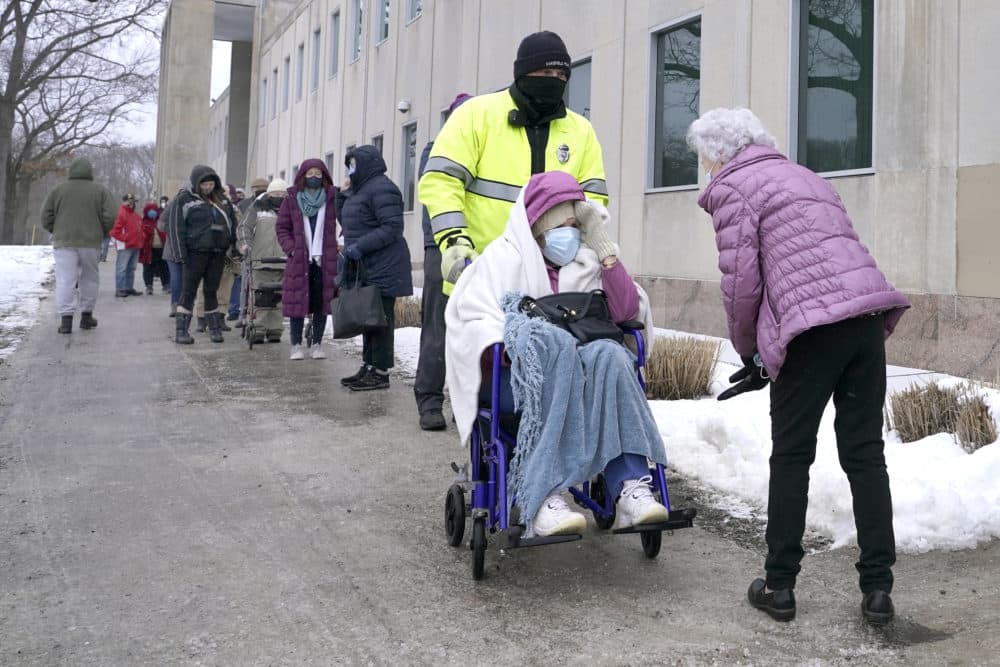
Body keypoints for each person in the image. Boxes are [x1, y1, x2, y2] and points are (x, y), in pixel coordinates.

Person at [686, 107, 911, 625]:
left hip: (812, 333)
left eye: (703, 158)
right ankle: (878, 590)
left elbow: (741, 283)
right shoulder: (806, 176)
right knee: (865, 456)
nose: (704, 169)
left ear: (719, 153)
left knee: (791, 457)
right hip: (864, 320)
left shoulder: (735, 187)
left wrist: (749, 352)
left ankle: (779, 586)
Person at [446, 171, 666, 538]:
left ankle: (631, 489)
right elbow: (472, 320)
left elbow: (628, 313)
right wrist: (520, 345)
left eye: (576, 226)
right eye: (564, 225)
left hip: (584, 378)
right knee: (557, 353)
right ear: (540, 226)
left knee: (612, 357)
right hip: (517, 383)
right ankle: (543, 496)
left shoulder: (587, 260)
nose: (572, 234)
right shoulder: (502, 260)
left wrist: (605, 251)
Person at [418, 30, 608, 298]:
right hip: (480, 275)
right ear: (524, 73)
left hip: (552, 283)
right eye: (546, 74)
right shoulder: (476, 115)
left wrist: (586, 250)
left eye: (562, 76)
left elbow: (593, 198)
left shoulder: (581, 131)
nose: (555, 82)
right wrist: (454, 241)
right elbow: (441, 181)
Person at [413, 92, 471, 431]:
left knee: (475, 328)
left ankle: (469, 403)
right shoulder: (436, 149)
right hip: (440, 246)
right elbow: (435, 196)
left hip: (481, 248)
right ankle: (430, 400)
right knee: (438, 324)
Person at [336, 146, 413, 390]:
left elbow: (392, 227)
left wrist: (360, 246)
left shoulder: (382, 188)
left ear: (366, 164)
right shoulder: (360, 190)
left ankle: (380, 373)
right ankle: (368, 365)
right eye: (349, 165)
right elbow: (347, 221)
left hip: (384, 265)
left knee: (381, 321)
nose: (350, 169)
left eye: (354, 164)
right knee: (367, 318)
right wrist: (341, 195)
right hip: (366, 265)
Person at [40, 157, 116, 333]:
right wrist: (101, 232)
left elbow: (46, 216)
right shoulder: (100, 191)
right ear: (90, 171)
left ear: (71, 171)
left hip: (64, 241)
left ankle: (66, 321)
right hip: (91, 242)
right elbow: (110, 216)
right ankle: (86, 317)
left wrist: (57, 229)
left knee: (66, 279)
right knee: (89, 278)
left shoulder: (58, 190)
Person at [166, 165, 238, 344]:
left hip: (218, 253)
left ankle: (214, 329)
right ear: (196, 183)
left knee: (211, 290)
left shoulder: (223, 200)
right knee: (189, 291)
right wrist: (179, 254)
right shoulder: (183, 200)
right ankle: (181, 331)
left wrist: (235, 247)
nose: (207, 188)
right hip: (194, 253)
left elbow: (232, 224)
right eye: (204, 184)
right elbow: (175, 228)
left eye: (211, 184)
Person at [275, 160, 340, 360]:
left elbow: (348, 219)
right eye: (310, 173)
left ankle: (317, 344)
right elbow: (282, 227)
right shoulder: (292, 199)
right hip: (299, 259)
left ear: (324, 176)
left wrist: (341, 242)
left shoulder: (332, 198)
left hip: (324, 259)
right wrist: (291, 249)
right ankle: (295, 345)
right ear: (303, 175)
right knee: (297, 303)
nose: (314, 177)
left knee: (321, 303)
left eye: (318, 174)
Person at [237, 178, 289, 343]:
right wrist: (245, 244)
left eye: (282, 194)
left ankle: (275, 328)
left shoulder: (291, 211)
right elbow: (244, 227)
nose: (278, 196)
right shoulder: (257, 208)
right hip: (260, 260)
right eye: (275, 193)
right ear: (268, 193)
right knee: (260, 295)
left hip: (284, 260)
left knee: (279, 296)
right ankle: (258, 326)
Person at [230, 178, 269, 323]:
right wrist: (241, 246)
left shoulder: (248, 204)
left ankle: (247, 312)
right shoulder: (246, 205)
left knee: (248, 283)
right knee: (244, 283)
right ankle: (241, 312)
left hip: (259, 248)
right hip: (246, 248)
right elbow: (241, 226)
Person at [110, 193, 144, 298]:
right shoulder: (122, 213)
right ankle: (119, 289)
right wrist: (126, 238)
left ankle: (128, 288)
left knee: (131, 268)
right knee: (122, 268)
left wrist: (141, 237)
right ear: (126, 201)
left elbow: (140, 228)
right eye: (131, 201)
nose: (133, 204)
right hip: (125, 246)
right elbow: (115, 232)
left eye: (134, 202)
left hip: (135, 245)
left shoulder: (135, 215)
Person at [158, 195, 184, 318]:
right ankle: (175, 305)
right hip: (172, 250)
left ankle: (184, 305)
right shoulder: (172, 206)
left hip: (189, 250)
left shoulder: (196, 204)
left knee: (186, 280)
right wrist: (172, 229)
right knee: (176, 279)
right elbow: (160, 224)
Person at [139, 202, 170, 295]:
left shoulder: (160, 221)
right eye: (150, 210)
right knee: (148, 268)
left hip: (161, 248)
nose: (152, 212)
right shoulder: (143, 223)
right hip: (148, 249)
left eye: (154, 210)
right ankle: (149, 286)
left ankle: (166, 285)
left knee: (164, 267)